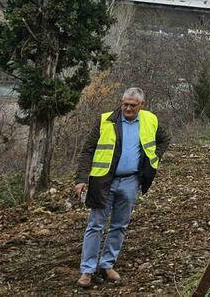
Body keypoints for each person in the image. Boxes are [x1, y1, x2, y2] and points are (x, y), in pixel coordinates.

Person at [73, 87, 171, 288]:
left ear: (141, 105)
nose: (127, 108)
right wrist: (81, 178)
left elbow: (164, 139)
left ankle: (107, 264)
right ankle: (87, 271)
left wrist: (153, 159)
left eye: (132, 105)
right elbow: (87, 150)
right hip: (102, 182)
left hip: (131, 181)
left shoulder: (150, 120)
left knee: (119, 225)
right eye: (125, 104)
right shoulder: (106, 120)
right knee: (95, 225)